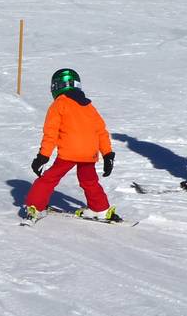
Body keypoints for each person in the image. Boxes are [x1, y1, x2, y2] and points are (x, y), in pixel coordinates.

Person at [22, 68, 118, 224]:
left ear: (56, 86)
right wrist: (107, 154)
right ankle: (100, 209)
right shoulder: (89, 106)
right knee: (89, 181)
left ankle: (35, 206)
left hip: (69, 153)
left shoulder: (59, 104)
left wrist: (43, 156)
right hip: (90, 153)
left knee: (49, 179)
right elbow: (101, 132)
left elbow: (51, 133)